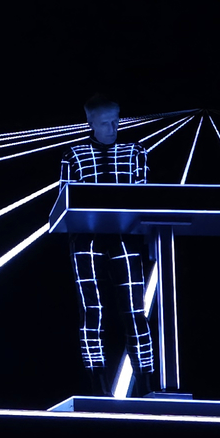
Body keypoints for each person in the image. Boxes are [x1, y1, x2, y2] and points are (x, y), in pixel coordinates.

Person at [62, 93, 155, 396]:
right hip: (86, 240)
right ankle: (97, 385)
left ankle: (146, 384)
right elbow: (65, 200)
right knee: (92, 311)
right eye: (105, 123)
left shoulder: (135, 152)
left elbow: (145, 197)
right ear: (90, 123)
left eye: (116, 122)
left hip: (125, 239)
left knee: (135, 312)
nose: (113, 129)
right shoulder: (73, 155)